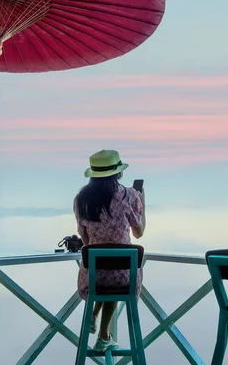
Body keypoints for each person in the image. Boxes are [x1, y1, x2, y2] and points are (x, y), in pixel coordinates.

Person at [74, 149, 146, 352]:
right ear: (118, 173)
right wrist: (143, 206)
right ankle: (103, 336)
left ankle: (93, 316)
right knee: (117, 273)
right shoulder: (129, 196)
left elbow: (85, 239)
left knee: (106, 271)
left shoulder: (81, 200)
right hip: (125, 273)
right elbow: (139, 233)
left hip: (92, 275)